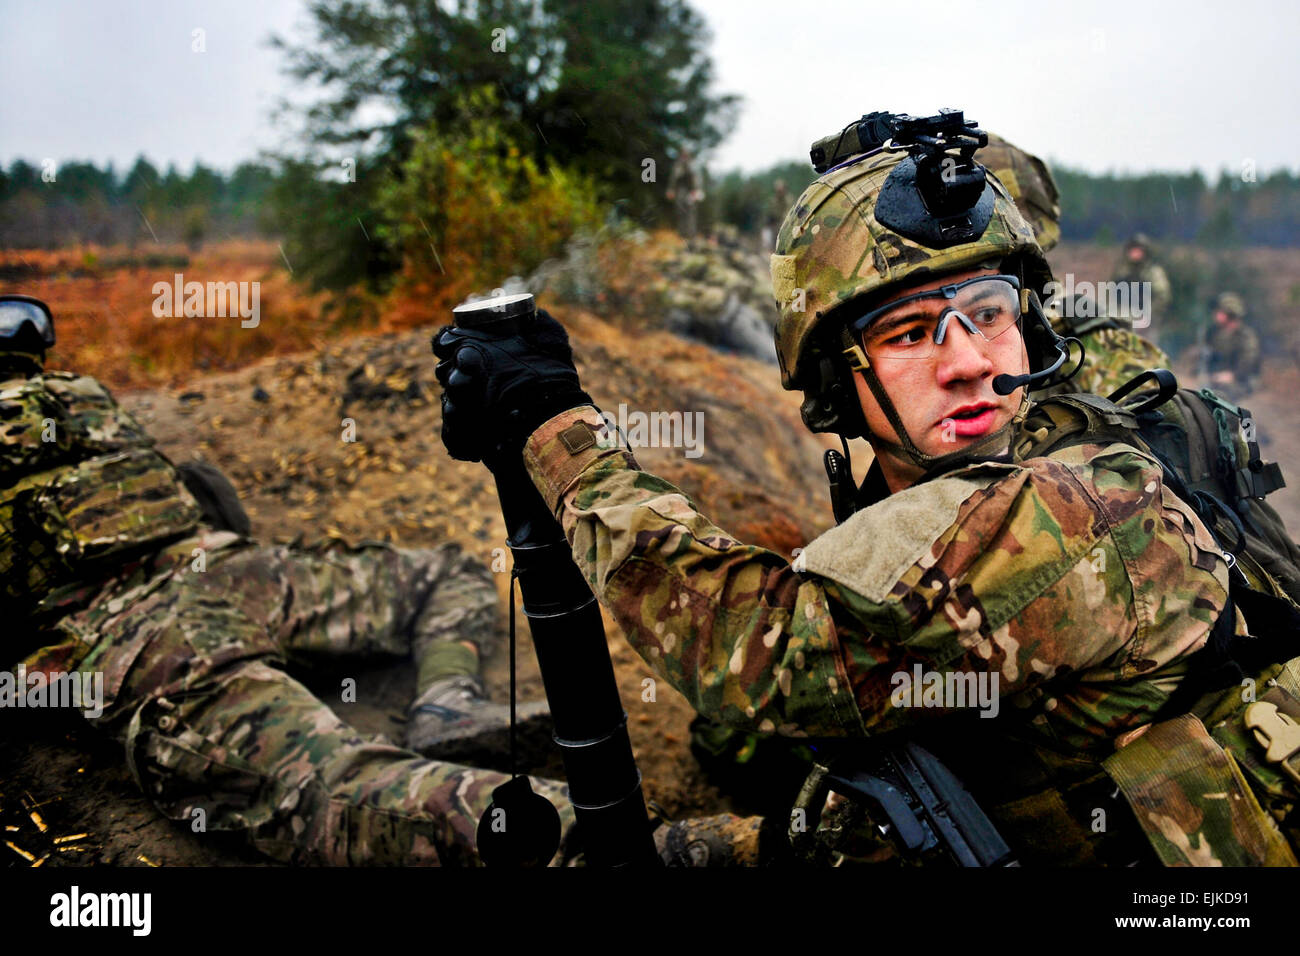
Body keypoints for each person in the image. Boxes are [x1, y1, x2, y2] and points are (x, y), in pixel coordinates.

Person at [434, 119, 1300, 866]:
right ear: (836, 386)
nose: (970, 362)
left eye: (991, 313)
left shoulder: (1069, 513)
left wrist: (553, 429)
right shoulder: (1089, 387)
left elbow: (753, 651)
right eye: (912, 331)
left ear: (1026, 320)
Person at [0, 294, 566, 866]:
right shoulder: (81, 398)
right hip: (224, 569)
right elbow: (200, 493)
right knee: (444, 575)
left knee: (332, 786)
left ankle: (603, 838)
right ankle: (456, 705)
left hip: (138, 632)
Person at [1204, 291, 1261, 400]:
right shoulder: (1215, 333)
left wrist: (1232, 376)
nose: (1215, 314)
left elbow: (1249, 361)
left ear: (1229, 313)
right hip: (1219, 378)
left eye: (1219, 311)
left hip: (1242, 381)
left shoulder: (1245, 336)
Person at [1108, 232, 1172, 330]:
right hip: (1122, 319)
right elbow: (1110, 293)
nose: (1135, 254)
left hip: (1145, 322)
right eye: (1133, 250)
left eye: (1138, 250)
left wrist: (1148, 314)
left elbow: (1162, 296)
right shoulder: (1122, 271)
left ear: (1145, 252)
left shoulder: (1153, 273)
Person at [666, 147, 704, 241]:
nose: (684, 156)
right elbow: (673, 178)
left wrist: (697, 190)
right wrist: (671, 189)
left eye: (686, 154)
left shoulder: (693, 165)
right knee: (680, 211)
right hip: (680, 191)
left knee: (690, 212)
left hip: (691, 191)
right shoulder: (678, 165)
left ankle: (690, 235)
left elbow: (697, 178)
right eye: (683, 154)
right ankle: (681, 234)